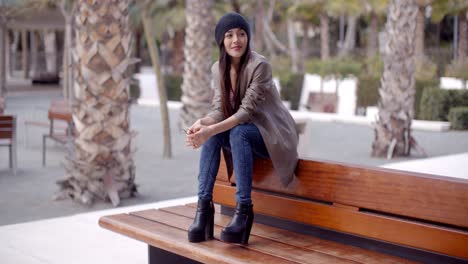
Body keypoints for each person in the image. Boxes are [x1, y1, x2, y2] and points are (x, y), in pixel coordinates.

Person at [186, 12, 298, 244]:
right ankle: (203, 209)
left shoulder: (260, 66)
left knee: (235, 132)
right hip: (244, 133)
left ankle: (243, 212)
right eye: (229, 35)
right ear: (221, 41)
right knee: (215, 135)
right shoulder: (218, 69)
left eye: (241, 33)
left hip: (272, 135)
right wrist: (202, 124)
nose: (236, 40)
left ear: (247, 37)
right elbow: (219, 109)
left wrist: (212, 129)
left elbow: (245, 113)